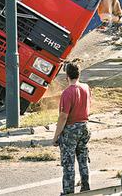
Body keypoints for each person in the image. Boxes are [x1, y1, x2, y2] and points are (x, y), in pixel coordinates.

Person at [53, 63, 92, 195]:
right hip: (85, 126)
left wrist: (56, 136)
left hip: (71, 129)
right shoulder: (86, 88)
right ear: (79, 74)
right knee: (83, 159)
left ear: (67, 76)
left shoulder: (67, 92)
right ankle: (85, 187)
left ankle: (69, 191)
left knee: (68, 163)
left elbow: (63, 116)